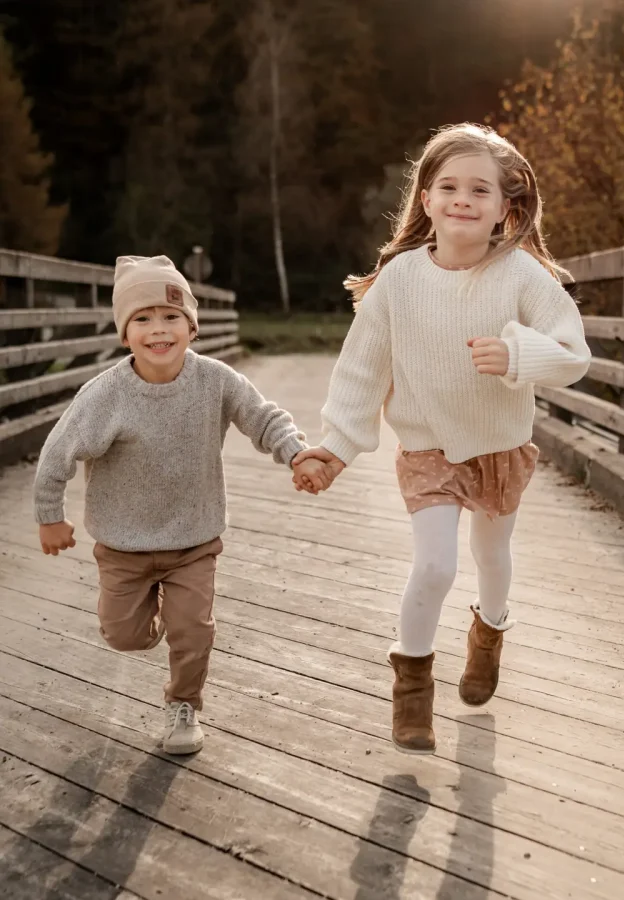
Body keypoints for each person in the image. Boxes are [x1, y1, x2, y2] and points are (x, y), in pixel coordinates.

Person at [292, 123, 591, 755]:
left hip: (499, 447)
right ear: (425, 199)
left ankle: (491, 631)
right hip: (427, 449)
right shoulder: (401, 280)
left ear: (505, 208)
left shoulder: (521, 276)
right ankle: (412, 691)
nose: (463, 198)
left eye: (480, 189)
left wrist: (517, 355)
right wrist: (336, 448)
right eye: (448, 185)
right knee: (434, 565)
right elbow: (362, 369)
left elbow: (572, 355)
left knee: (491, 560)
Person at [34, 255, 331, 755]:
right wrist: (50, 517)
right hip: (123, 545)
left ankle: (184, 705)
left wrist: (296, 453)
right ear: (125, 334)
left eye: (171, 317)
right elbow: (55, 454)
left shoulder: (216, 380)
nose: (158, 330)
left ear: (191, 327)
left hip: (194, 539)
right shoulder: (104, 396)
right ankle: (148, 622)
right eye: (142, 319)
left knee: (193, 629)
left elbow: (262, 417)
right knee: (123, 635)